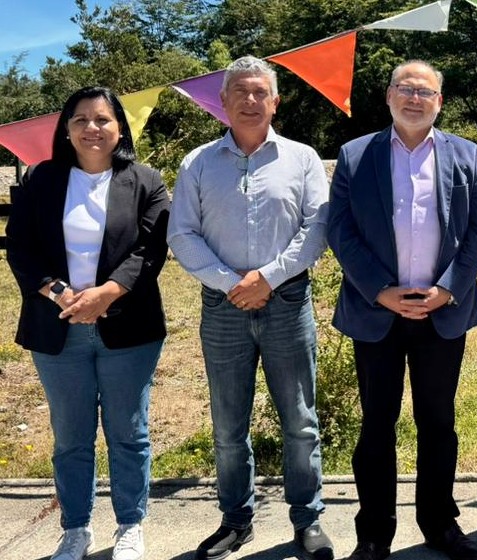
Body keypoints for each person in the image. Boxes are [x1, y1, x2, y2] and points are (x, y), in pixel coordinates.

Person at [166, 56, 333, 560]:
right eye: (240, 91)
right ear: (223, 101)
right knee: (227, 426)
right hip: (223, 308)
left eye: (260, 92)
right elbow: (182, 233)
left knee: (300, 422)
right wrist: (232, 283)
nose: (250, 100)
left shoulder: (302, 158)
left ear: (275, 101)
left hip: (288, 302)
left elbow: (316, 228)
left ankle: (307, 519)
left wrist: (268, 278)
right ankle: (236, 521)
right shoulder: (197, 163)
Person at [328, 60, 477, 560]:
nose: (414, 98)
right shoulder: (356, 155)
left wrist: (448, 289)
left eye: (425, 91)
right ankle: (374, 533)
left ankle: (439, 524)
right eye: (406, 89)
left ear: (439, 101)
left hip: (442, 311)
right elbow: (340, 230)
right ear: (389, 96)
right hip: (377, 312)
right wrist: (380, 290)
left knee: (438, 423)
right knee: (377, 424)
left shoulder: (467, 155)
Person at [5, 86, 169, 560]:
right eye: (80, 119)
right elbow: (20, 247)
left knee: (128, 433)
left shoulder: (145, 181)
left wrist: (106, 293)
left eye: (102, 119)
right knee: (71, 437)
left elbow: (150, 250)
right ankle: (75, 528)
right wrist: (60, 292)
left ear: (120, 127)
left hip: (129, 328)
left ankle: (130, 525)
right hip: (57, 327)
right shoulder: (42, 179)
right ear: (66, 128)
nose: (91, 128)